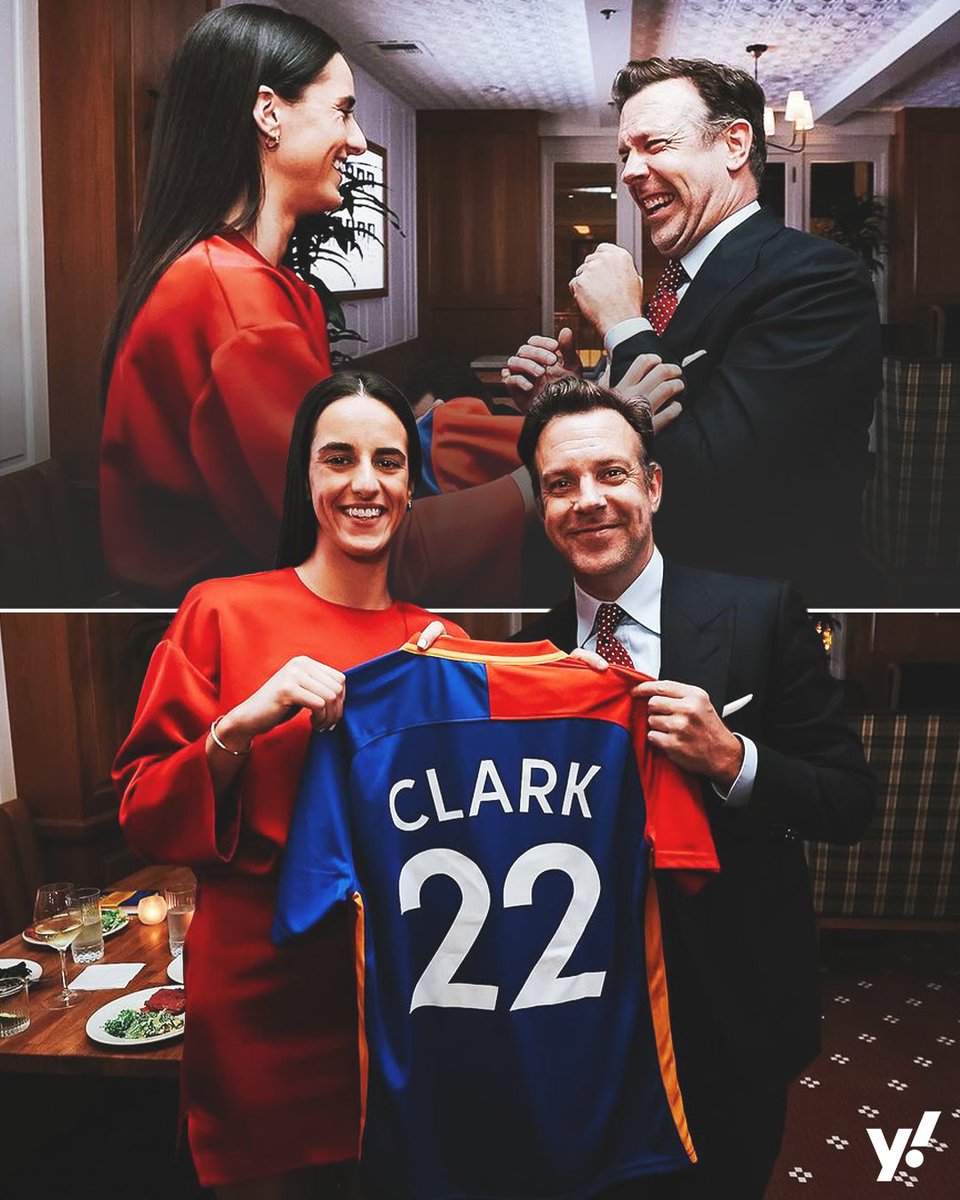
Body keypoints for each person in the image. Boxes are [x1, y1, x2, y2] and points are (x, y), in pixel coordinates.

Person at [513, 376, 876, 1198]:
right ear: (541, 506)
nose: (589, 501)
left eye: (610, 474)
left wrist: (733, 759)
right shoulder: (517, 649)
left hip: (729, 1007)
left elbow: (849, 799)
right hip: (571, 1014)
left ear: (654, 484)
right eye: (561, 485)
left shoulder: (761, 614)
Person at [113, 372, 467, 1199]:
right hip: (259, 1002)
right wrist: (238, 725)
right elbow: (141, 812)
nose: (364, 483)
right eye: (337, 459)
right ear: (305, 480)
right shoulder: (220, 612)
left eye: (387, 461)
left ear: (411, 487)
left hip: (402, 1000)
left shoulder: (440, 643)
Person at [99, 3, 529, 608]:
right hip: (241, 635)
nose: (355, 140)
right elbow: (340, 545)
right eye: (344, 111)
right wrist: (541, 486)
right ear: (268, 113)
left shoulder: (238, 281)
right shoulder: (231, 296)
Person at [506, 57, 882, 607]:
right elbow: (631, 442)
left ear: (733, 145)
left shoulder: (817, 279)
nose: (631, 171)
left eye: (654, 145)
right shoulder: (681, 279)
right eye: (625, 154)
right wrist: (564, 399)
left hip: (753, 608)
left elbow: (727, 480)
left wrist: (622, 323)